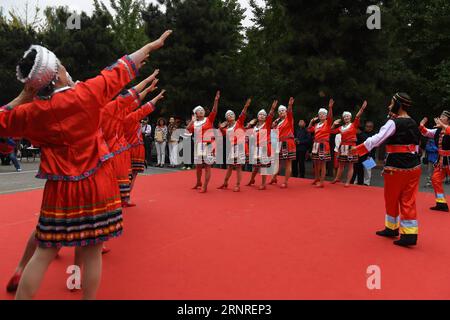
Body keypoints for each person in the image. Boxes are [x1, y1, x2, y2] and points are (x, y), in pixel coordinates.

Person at [1, 30, 172, 300]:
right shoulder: (85, 95)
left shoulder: (31, 114)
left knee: (44, 251)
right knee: (92, 251)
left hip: (59, 189)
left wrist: (25, 96)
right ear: (56, 75)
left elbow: (2, 119)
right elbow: (119, 70)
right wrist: (150, 46)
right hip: (97, 184)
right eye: (62, 67)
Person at [352, 92, 421, 247]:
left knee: (391, 197)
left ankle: (392, 228)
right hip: (414, 166)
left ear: (398, 104)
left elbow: (377, 139)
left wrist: (359, 148)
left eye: (391, 103)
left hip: (396, 166)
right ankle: (409, 234)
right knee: (408, 199)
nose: (389, 106)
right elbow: (417, 145)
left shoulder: (393, 122)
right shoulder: (413, 122)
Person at [187, 91, 220, 193]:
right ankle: (198, 182)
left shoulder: (208, 119)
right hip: (198, 146)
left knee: (207, 166)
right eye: (199, 110)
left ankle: (205, 186)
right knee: (198, 166)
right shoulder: (195, 123)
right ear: (196, 113)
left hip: (208, 145)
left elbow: (214, 110)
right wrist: (192, 120)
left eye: (202, 110)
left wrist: (216, 101)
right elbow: (188, 129)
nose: (201, 111)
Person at [331, 101, 368, 187]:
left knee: (351, 165)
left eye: (347, 116)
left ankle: (348, 181)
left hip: (351, 146)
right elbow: (331, 131)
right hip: (343, 146)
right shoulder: (340, 127)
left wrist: (362, 109)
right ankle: (337, 178)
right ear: (343, 118)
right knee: (341, 164)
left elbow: (358, 116)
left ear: (350, 117)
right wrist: (333, 124)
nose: (346, 118)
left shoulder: (354, 125)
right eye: (345, 117)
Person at [217, 99, 251, 192]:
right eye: (228, 115)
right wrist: (220, 127)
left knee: (238, 167)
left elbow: (243, 114)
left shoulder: (239, 123)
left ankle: (238, 185)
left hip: (240, 147)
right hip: (232, 148)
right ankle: (225, 182)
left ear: (234, 116)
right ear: (226, 118)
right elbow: (221, 132)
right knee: (230, 166)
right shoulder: (227, 129)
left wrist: (245, 107)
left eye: (231, 114)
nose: (230, 116)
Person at [419, 111, 450, 212]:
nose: (440, 118)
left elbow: (448, 130)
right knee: (435, 179)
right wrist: (421, 125)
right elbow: (426, 132)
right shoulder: (437, 131)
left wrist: (441, 125)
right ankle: (441, 203)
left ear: (448, 120)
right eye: (440, 116)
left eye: (443, 117)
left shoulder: (448, 129)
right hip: (441, 160)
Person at [246, 101, 278, 190]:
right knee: (255, 167)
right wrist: (248, 125)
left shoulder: (267, 125)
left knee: (263, 167)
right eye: (260, 114)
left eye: (264, 115)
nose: (262, 116)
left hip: (264, 147)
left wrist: (272, 109)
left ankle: (263, 184)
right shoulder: (254, 127)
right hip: (256, 148)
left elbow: (270, 116)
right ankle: (252, 179)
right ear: (257, 116)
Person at [308, 99, 334, 188]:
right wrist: (311, 122)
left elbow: (330, 117)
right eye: (320, 114)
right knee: (315, 163)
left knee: (323, 163)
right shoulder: (316, 125)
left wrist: (330, 108)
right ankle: (316, 178)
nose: (321, 115)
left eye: (323, 114)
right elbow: (308, 129)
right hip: (316, 144)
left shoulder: (328, 123)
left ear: (326, 116)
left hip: (323, 144)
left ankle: (322, 182)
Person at [270, 97, 296, 188]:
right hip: (279, 143)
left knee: (288, 162)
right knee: (277, 161)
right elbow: (274, 135)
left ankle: (285, 181)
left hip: (287, 142)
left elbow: (290, 113)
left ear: (286, 112)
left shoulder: (289, 119)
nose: (281, 112)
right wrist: (273, 127)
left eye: (283, 111)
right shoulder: (278, 123)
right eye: (279, 111)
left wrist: (289, 105)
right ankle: (274, 177)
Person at [363, 121, 376, 185]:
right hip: (362, 154)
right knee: (359, 168)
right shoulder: (362, 133)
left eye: (370, 127)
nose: (368, 128)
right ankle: (356, 180)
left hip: (370, 154)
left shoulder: (374, 135)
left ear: (372, 127)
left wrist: (370, 155)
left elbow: (374, 147)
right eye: (367, 126)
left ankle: (366, 182)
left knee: (368, 170)